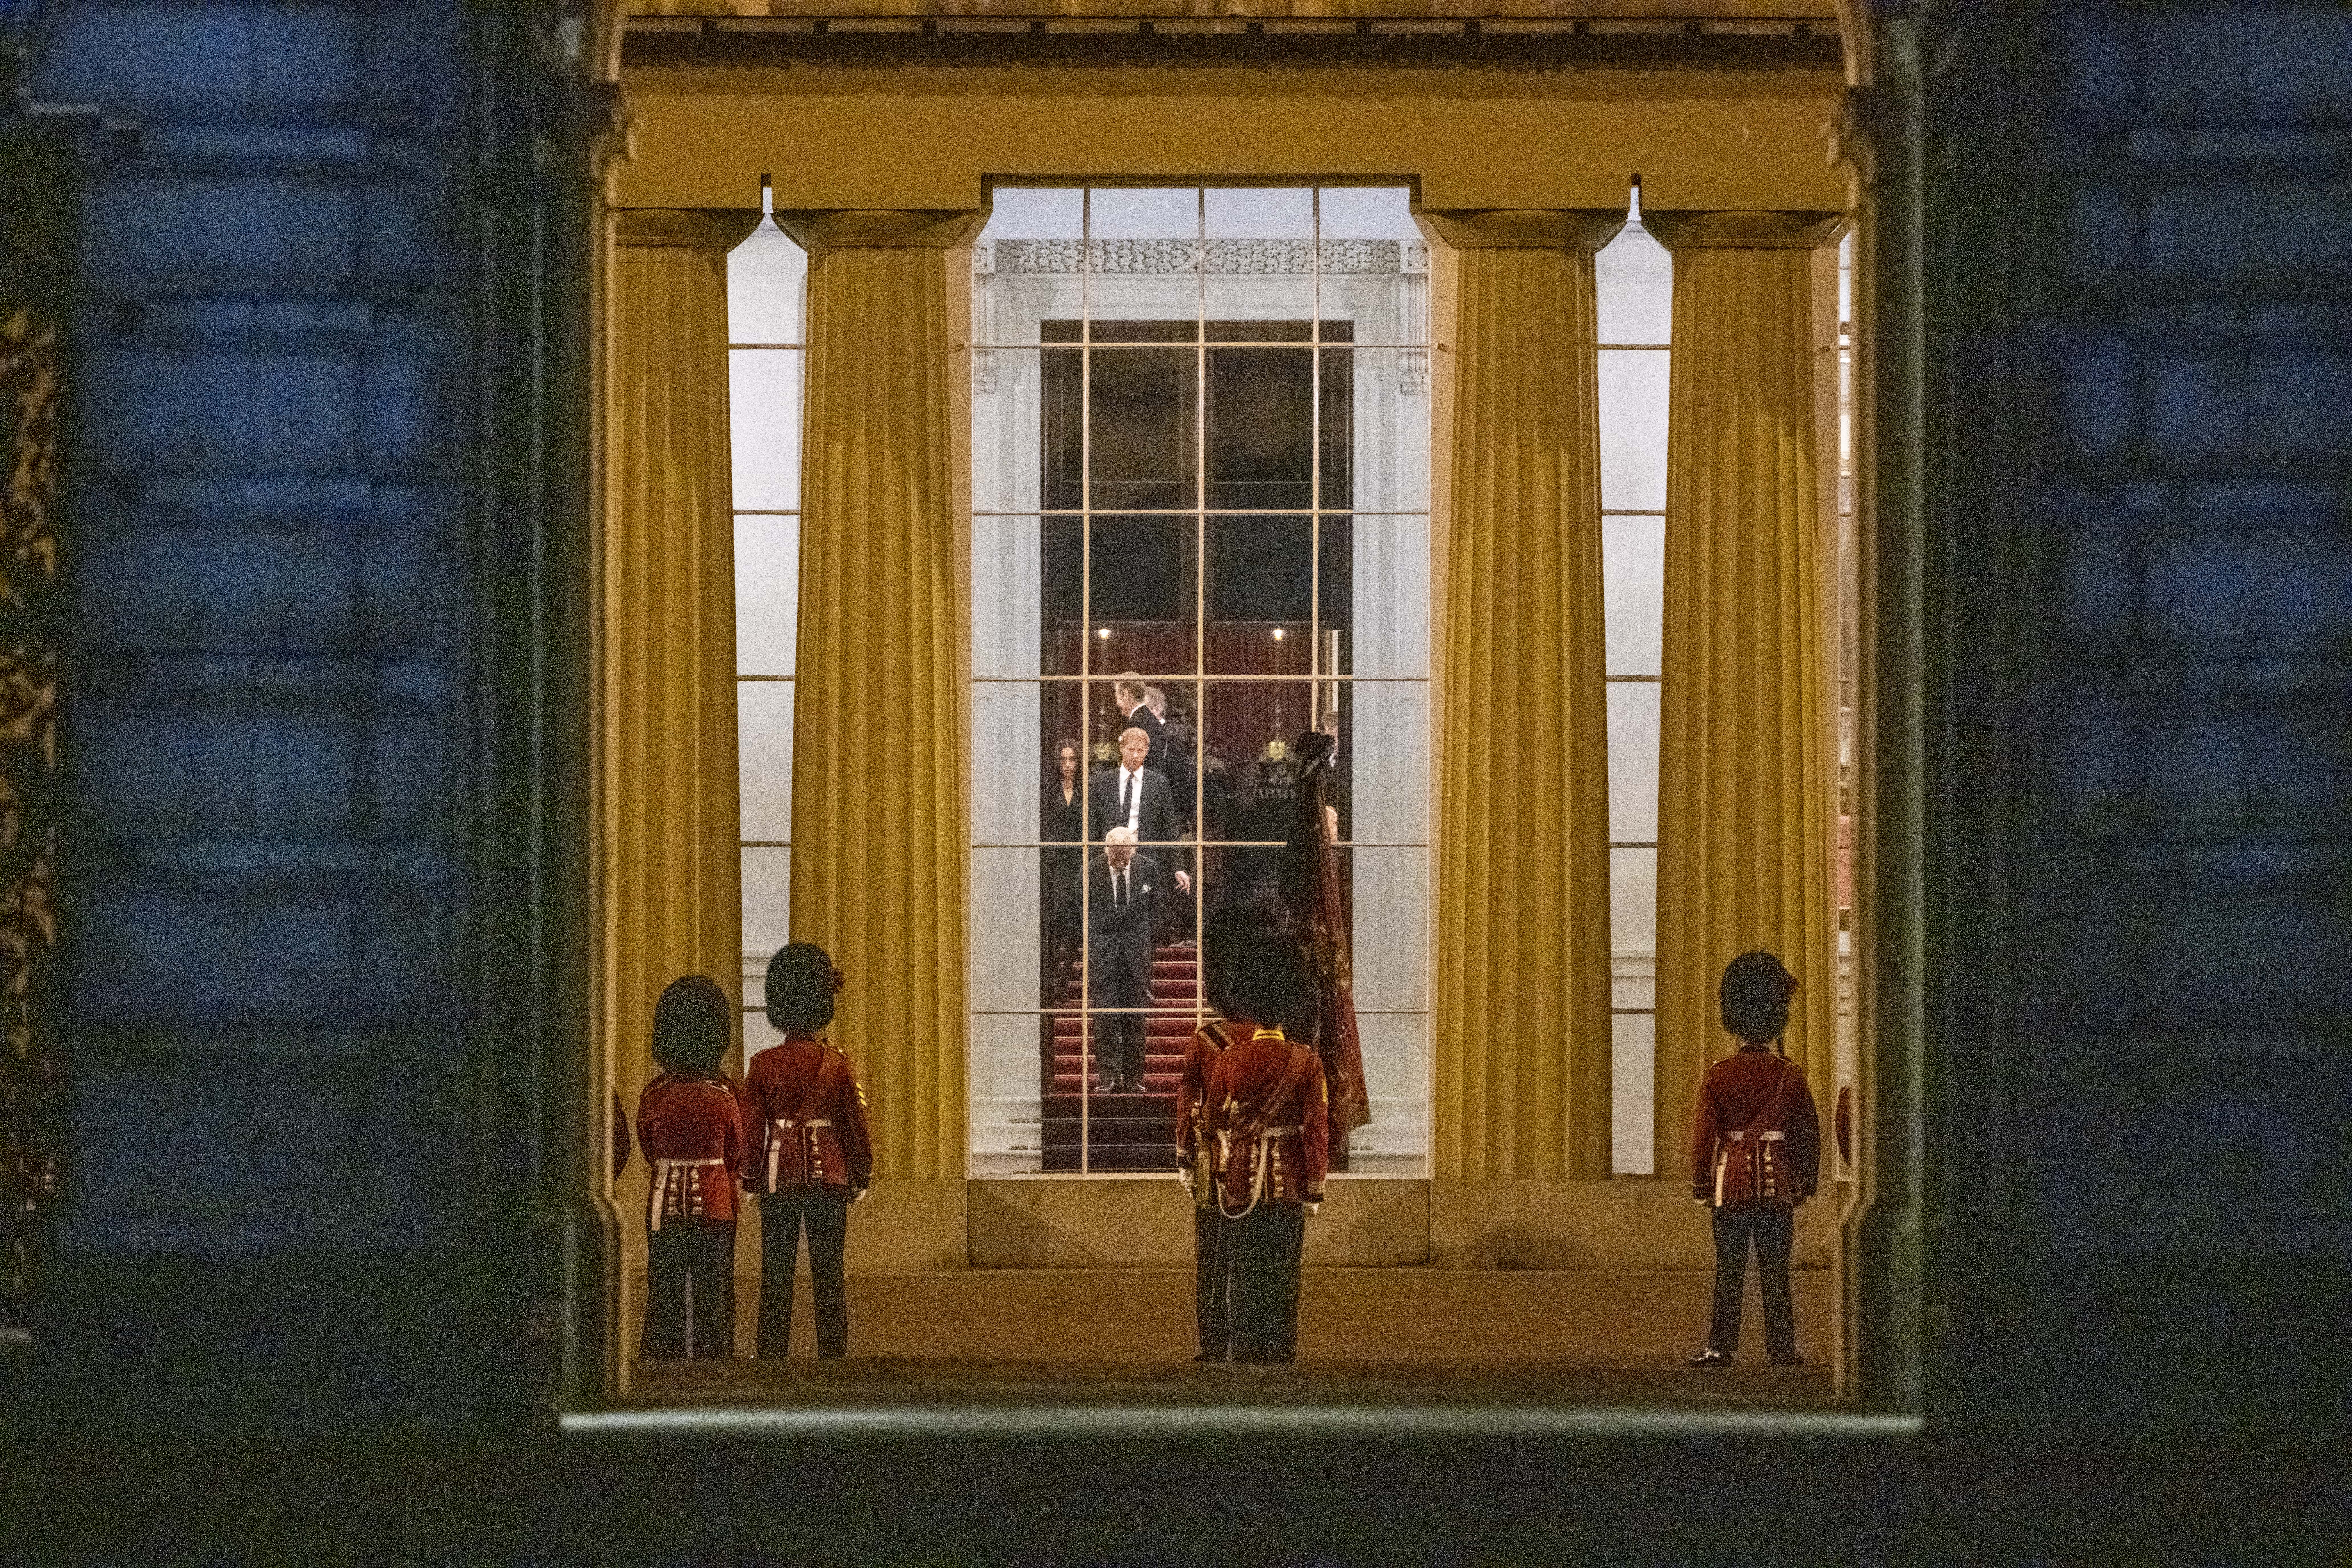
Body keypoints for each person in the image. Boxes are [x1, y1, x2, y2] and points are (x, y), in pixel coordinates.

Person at [737, 942, 874, 1361]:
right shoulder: (837, 1062)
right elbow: (855, 1126)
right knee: (828, 1275)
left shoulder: (763, 1064)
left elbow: (752, 1128)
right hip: (830, 1175)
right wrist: (861, 1174)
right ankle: (833, 1355)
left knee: (775, 1276)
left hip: (780, 1175)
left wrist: (751, 1178)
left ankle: (771, 1353)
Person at [1687, 949, 1822, 1369]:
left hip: (1731, 1185)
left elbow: (1705, 1136)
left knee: (1729, 1271)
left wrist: (1701, 1183)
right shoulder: (1791, 1075)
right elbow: (1808, 1135)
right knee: (1775, 1272)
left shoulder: (1719, 1073)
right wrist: (1806, 1181)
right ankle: (1782, 1349)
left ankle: (1720, 1347)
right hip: (1778, 1183)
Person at [1204, 930, 1328, 1365]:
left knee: (1244, 1277)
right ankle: (1281, 1356)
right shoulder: (1306, 1061)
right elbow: (1315, 1130)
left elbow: (1214, 1118)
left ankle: (1246, 1354)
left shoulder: (1229, 1059)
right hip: (1290, 1184)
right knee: (1283, 1278)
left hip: (1239, 1183)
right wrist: (1314, 1188)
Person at [1176, 903, 1279, 1362]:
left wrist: (1184, 1157)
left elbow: (1190, 1105)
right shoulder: (1281, 1045)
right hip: (1271, 1169)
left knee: (1213, 1261)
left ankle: (1215, 1342)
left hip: (1217, 1164)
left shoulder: (1206, 1042)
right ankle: (1257, 1340)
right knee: (1261, 1262)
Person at [635, 975, 743, 1360]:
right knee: (713, 1295)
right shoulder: (726, 1094)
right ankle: (717, 1358)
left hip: (663, 1205)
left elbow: (647, 1146)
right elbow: (737, 1151)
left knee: (663, 1291)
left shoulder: (654, 1094)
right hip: (714, 1205)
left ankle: (661, 1359)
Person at [1085, 827, 1162, 1094]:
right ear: (1105, 850)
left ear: (1134, 850)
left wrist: (1146, 944)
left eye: (1124, 859)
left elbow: (1155, 910)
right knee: (1105, 1018)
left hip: (1136, 953)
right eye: (1113, 859)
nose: (1119, 864)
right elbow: (1079, 911)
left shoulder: (1149, 868)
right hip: (1102, 953)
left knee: (1135, 1018)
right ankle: (1109, 1078)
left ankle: (1133, 1078)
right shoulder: (1090, 870)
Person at [1042, 737, 1087, 997]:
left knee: (1074, 919)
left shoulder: (1086, 790)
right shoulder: (1048, 790)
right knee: (1056, 917)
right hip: (1056, 859)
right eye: (1063, 759)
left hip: (1078, 859)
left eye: (1073, 759)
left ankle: (1065, 979)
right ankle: (1055, 978)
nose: (1068, 765)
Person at [1112, 671, 1170, 778]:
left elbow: (1133, 766)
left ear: (1126, 695)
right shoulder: (1148, 719)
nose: (1117, 703)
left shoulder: (1138, 723)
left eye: (1117, 697)